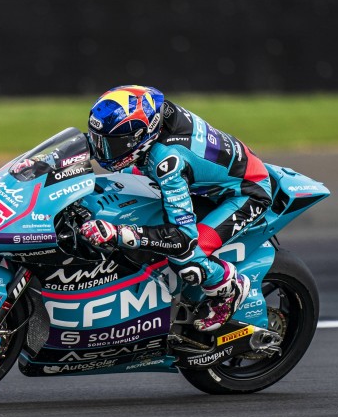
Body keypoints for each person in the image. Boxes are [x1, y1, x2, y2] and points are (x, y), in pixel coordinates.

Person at [80, 85, 272, 332]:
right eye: (99, 140)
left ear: (142, 136)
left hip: (246, 192)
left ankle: (229, 289)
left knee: (187, 257)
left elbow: (182, 238)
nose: (103, 150)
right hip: (206, 179)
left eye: (112, 145)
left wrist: (117, 233)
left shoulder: (166, 161)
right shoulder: (150, 115)